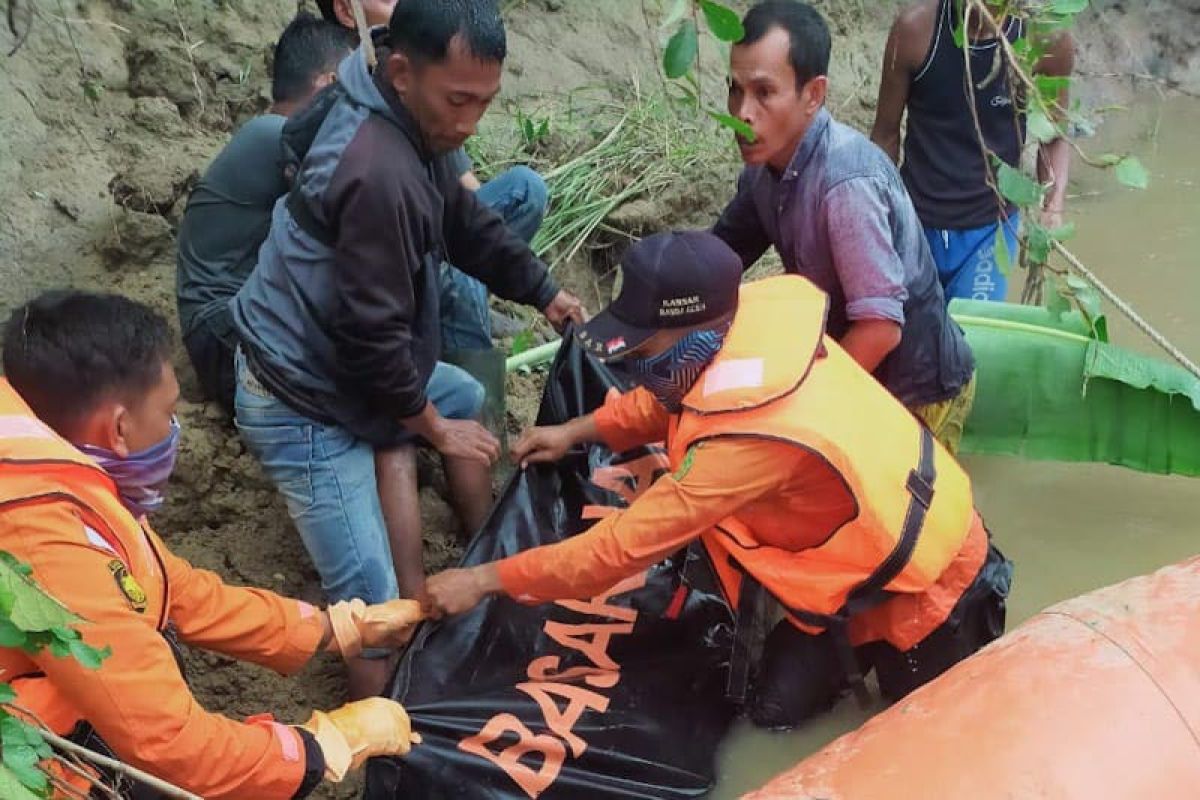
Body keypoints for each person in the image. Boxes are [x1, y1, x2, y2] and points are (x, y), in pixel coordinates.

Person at [424, 231, 1011, 730]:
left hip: (932, 588)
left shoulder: (744, 447)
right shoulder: (738, 334)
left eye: (642, 345)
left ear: (693, 333)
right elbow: (673, 402)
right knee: (772, 711)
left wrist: (483, 579)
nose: (633, 361)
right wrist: (579, 429)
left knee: (920, 727)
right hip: (858, 556)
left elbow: (616, 550)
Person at [231, 0, 585, 699]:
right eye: (460, 101)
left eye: (485, 102)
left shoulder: (422, 118)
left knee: (464, 397)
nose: (470, 121)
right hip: (300, 398)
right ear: (401, 72)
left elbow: (464, 221)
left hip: (343, 364)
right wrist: (429, 424)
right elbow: (373, 337)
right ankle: (390, 753)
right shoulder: (376, 169)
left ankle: (480, 544)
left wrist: (543, 290)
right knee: (369, 601)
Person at [0, 291, 424, 799]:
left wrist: (335, 628)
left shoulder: (40, 455)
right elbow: (171, 745)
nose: (174, 430)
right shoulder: (44, 536)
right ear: (118, 428)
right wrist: (326, 744)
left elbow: (170, 586)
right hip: (26, 754)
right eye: (168, 412)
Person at [711, 0, 976, 452]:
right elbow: (718, 259)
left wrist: (802, 407)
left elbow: (880, 329)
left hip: (917, 391)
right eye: (734, 90)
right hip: (855, 368)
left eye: (763, 93)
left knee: (910, 519)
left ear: (813, 94)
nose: (743, 112)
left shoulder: (847, 184)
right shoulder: (763, 168)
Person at [316, 0, 550, 353]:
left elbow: (462, 195)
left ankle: (463, 302)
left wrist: (537, 285)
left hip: (413, 230)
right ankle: (462, 335)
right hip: (376, 255)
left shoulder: (420, 69)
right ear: (347, 11)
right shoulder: (358, 86)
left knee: (523, 191)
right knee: (456, 273)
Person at [176, 14, 357, 412]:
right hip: (225, 335)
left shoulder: (268, 135)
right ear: (329, 85)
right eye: (355, 86)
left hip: (234, 331)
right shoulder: (272, 135)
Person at [871, 0, 1074, 303]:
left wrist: (1052, 207)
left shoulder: (1045, 39)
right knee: (908, 340)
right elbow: (885, 135)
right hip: (915, 223)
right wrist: (877, 215)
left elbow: (1055, 132)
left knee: (970, 342)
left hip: (989, 231)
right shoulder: (915, 30)